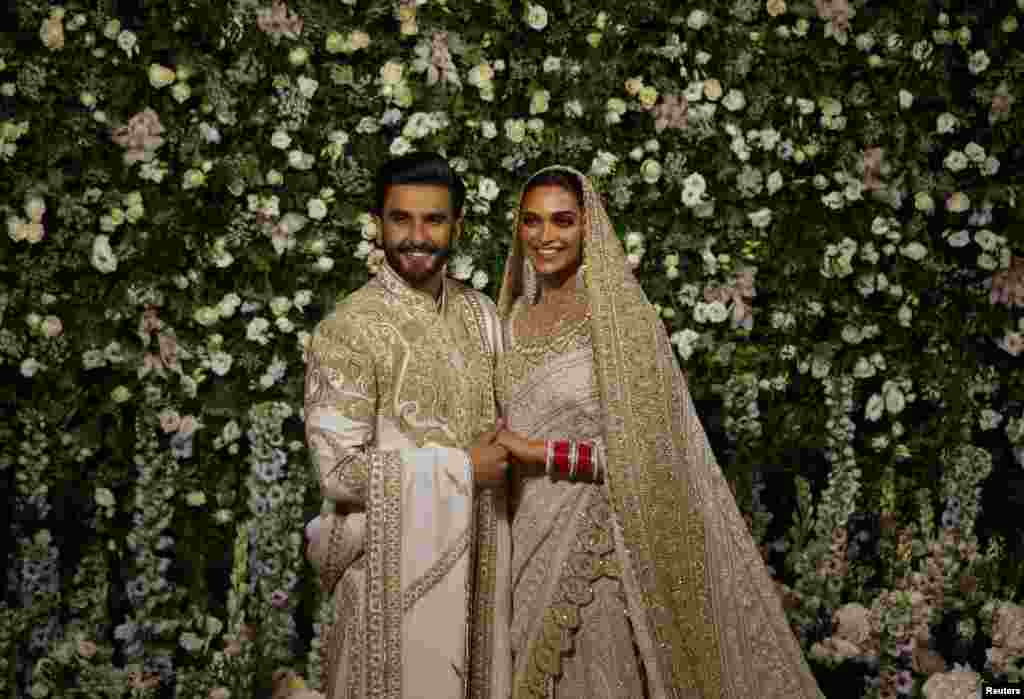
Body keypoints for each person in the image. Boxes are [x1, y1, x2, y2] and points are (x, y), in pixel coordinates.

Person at [481, 166, 825, 698]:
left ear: (588, 228)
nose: (544, 236)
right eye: (531, 221)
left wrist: (540, 452)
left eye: (562, 221)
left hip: (593, 549)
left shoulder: (620, 324)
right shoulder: (507, 322)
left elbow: (649, 450)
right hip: (519, 541)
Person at [303, 152, 512, 699]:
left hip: (483, 575)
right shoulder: (348, 329)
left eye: (434, 220)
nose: (417, 236)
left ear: (457, 226)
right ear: (378, 223)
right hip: (388, 582)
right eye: (401, 219)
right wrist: (464, 468)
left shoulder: (482, 315)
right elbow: (338, 472)